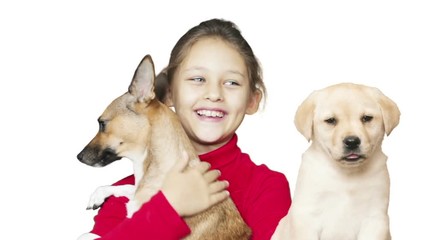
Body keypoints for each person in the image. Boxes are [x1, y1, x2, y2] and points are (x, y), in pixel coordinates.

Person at [80, 18, 292, 240]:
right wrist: (169, 207)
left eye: (232, 82)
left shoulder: (266, 187)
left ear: (252, 100)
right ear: (168, 93)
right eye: (198, 79)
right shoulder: (119, 193)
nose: (214, 94)